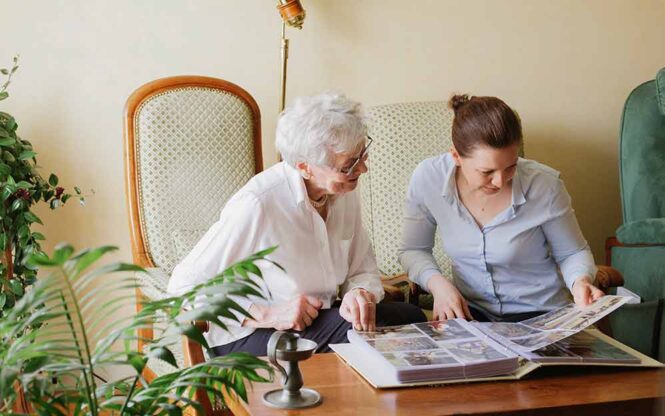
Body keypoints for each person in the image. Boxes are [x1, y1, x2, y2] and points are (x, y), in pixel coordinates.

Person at [168, 91, 426, 356]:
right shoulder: (259, 203)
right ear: (305, 167)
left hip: (316, 319)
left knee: (410, 317)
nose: (362, 169)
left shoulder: (342, 191)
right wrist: (269, 314)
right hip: (250, 334)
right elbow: (182, 287)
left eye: (362, 155)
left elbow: (362, 268)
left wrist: (360, 293)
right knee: (374, 336)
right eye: (349, 165)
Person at [399, 94, 604, 323]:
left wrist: (580, 282)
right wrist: (438, 284)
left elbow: (572, 253)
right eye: (487, 172)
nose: (500, 181)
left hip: (542, 315)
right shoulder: (429, 179)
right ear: (456, 156)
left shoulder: (544, 185)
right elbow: (413, 250)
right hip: (471, 315)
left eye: (511, 167)